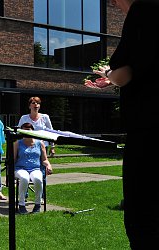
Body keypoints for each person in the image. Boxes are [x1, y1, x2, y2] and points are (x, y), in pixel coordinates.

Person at [83, 0, 159, 246]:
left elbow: (125, 73)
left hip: (147, 130)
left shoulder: (143, 10)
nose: (115, 6)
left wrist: (109, 75)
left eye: (115, 2)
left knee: (142, 215)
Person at [13, 123, 52, 214]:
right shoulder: (17, 144)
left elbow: (44, 159)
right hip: (20, 168)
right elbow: (13, 159)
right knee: (24, 178)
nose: (26, 132)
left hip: (35, 168)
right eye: (24, 131)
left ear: (32, 131)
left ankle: (37, 204)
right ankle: (21, 204)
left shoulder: (40, 143)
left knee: (38, 178)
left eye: (28, 130)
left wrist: (49, 166)